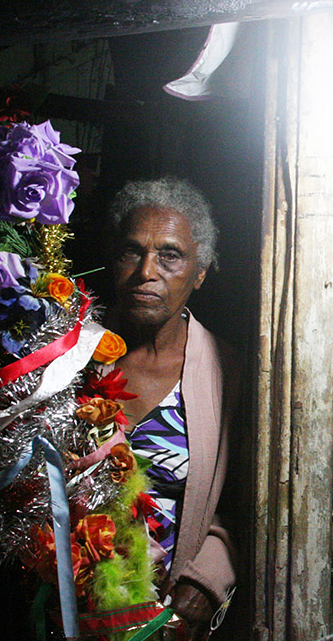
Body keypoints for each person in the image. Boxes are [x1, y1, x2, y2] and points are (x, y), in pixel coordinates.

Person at [104, 176, 239, 639]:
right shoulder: (72, 358)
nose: (147, 271)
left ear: (199, 273)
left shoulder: (227, 372)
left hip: (169, 619)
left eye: (170, 255)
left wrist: (208, 579)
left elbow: (246, 501)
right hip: (73, 607)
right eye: (131, 252)